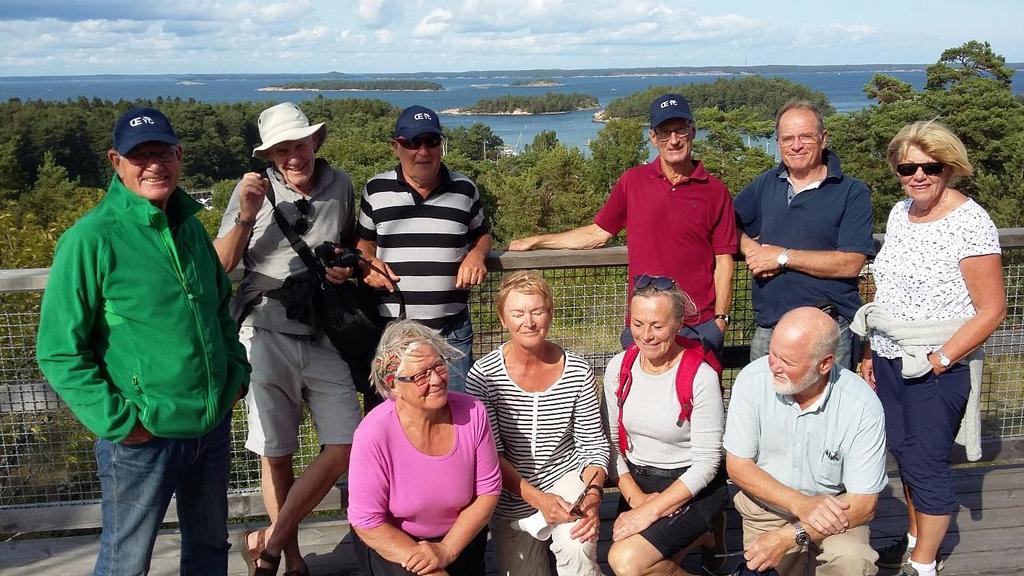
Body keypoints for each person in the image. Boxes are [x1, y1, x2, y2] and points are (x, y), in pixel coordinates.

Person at [36, 107, 249, 575]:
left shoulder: (190, 227)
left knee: (211, 547)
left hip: (209, 428)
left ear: (180, 155)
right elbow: (57, 348)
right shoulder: (91, 239)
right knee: (126, 560)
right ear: (116, 161)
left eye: (163, 152)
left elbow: (218, 308)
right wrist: (120, 422)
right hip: (140, 438)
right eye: (140, 155)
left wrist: (236, 375)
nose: (155, 164)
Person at [214, 102, 362, 576]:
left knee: (346, 443)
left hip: (321, 328)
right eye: (281, 149)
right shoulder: (250, 190)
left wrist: (344, 264)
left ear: (314, 141)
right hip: (265, 330)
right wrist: (244, 214)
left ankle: (268, 542)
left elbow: (346, 242)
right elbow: (221, 266)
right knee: (277, 453)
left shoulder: (340, 183)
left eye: (298, 144)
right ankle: (292, 560)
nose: (292, 156)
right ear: (270, 152)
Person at [853, 121, 1006, 576]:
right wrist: (869, 349)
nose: (918, 176)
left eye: (930, 166)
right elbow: (889, 292)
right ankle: (918, 538)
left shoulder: (972, 222)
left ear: (950, 167)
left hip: (937, 365)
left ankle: (921, 566)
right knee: (903, 453)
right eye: (907, 167)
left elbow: (992, 308)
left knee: (928, 463)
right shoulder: (901, 213)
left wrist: (941, 358)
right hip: (888, 356)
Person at [508, 93, 737, 359]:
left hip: (698, 325)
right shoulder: (633, 182)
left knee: (698, 399)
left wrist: (720, 321)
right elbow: (598, 233)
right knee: (640, 399)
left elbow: (724, 261)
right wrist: (538, 241)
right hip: (644, 327)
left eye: (680, 130)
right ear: (653, 137)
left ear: (693, 132)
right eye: (665, 133)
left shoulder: (715, 191)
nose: (673, 140)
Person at [466, 271, 609, 576]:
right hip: (512, 498)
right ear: (503, 319)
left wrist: (593, 494)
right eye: (518, 313)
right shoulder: (484, 375)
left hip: (568, 481)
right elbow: (491, 456)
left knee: (578, 546)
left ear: (550, 314)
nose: (528, 322)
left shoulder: (577, 370)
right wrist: (540, 500)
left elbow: (593, 445)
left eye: (537, 311)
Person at [724, 307, 887, 575]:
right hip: (767, 506)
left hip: (835, 511)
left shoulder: (862, 406)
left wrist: (790, 535)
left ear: (825, 364)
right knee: (761, 566)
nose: (774, 367)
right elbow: (738, 465)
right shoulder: (751, 381)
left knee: (851, 561)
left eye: (787, 361)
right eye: (772, 354)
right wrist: (800, 504)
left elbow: (864, 505)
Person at [347, 319, 502, 576]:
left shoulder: (474, 413)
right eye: (420, 375)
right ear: (392, 385)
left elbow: (488, 490)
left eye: (438, 366)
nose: (436, 380)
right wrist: (430, 567)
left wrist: (446, 551)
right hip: (394, 539)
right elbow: (367, 521)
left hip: (459, 538)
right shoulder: (373, 433)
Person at [357, 105, 492, 392]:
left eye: (431, 141)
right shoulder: (376, 189)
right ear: (396, 147)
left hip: (451, 331)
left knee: (454, 416)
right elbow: (363, 240)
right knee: (397, 419)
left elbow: (482, 234)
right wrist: (367, 260)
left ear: (440, 145)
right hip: (393, 333)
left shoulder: (465, 189)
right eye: (412, 143)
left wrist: (477, 254)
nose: (423, 151)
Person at [602, 275, 730, 576]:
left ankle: (704, 526)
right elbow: (610, 443)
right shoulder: (618, 367)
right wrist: (637, 499)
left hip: (692, 488)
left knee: (627, 562)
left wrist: (650, 512)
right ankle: (704, 536)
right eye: (637, 323)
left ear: (678, 323)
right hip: (640, 484)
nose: (646, 335)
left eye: (657, 326)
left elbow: (708, 464)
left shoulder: (700, 376)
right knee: (647, 565)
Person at [734, 99, 875, 370]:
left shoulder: (851, 192)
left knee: (827, 409)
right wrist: (752, 250)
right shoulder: (766, 183)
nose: (795, 145)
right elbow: (724, 222)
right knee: (767, 409)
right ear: (778, 143)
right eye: (787, 139)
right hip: (770, 328)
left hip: (827, 327)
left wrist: (782, 257)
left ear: (823, 138)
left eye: (805, 137)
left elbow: (851, 263)